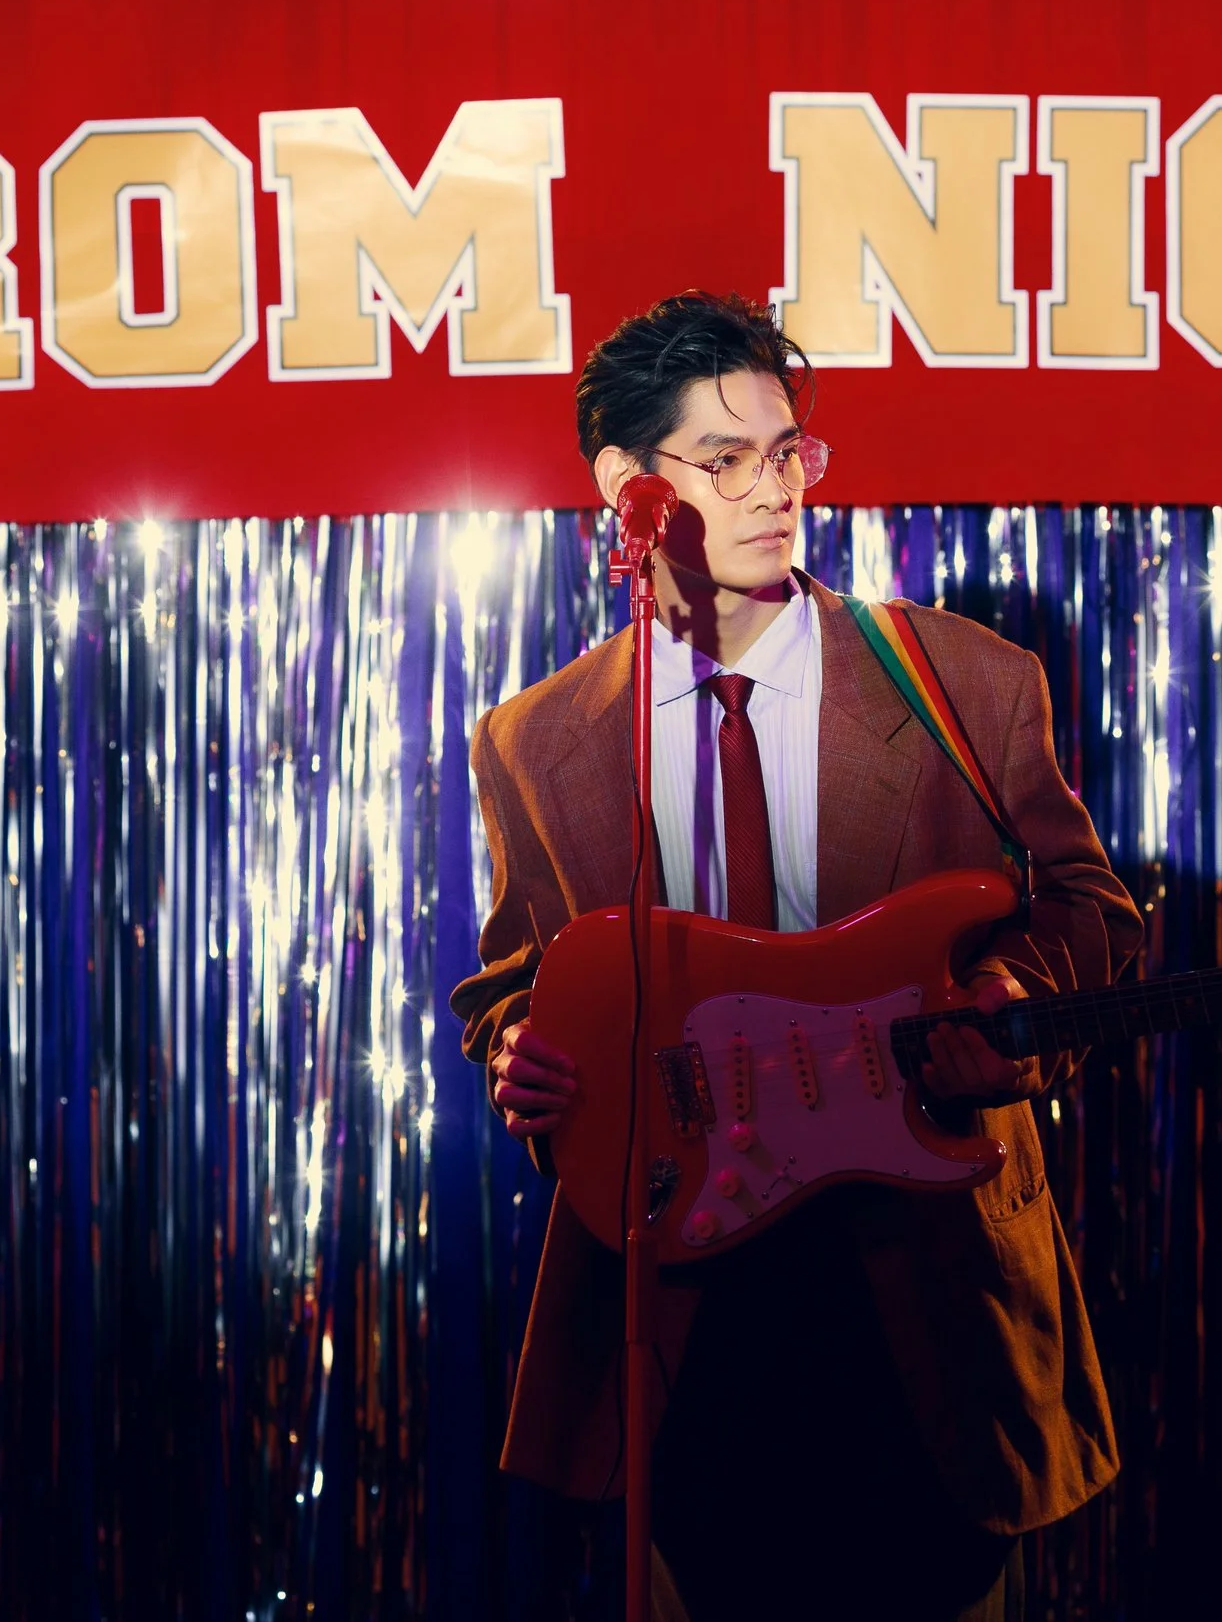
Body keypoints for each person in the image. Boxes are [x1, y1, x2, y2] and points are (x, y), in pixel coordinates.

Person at [449, 291, 1140, 1622]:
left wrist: (1012, 994)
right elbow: (516, 979)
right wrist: (520, 1052)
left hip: (925, 1296)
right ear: (627, 486)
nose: (775, 491)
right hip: (684, 1309)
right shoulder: (533, 743)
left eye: (787, 452)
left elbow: (1090, 912)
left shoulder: (968, 682)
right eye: (725, 460)